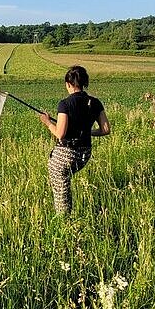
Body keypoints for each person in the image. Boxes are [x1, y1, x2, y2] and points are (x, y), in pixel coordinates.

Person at [38, 65, 111, 215]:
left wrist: (47, 122)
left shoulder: (65, 104)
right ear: (84, 83)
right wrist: (87, 132)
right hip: (84, 154)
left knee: (61, 189)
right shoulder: (95, 102)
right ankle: (66, 214)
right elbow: (105, 130)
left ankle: (63, 219)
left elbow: (60, 134)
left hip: (66, 154)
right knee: (65, 182)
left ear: (68, 84)